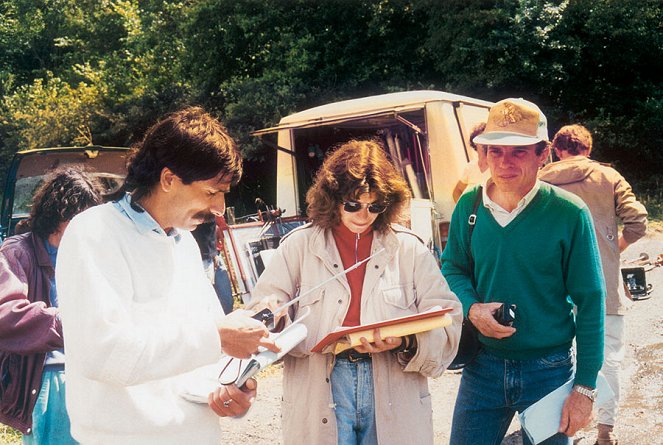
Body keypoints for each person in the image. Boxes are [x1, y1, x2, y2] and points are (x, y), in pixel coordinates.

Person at [55, 107, 279, 444]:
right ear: (169, 179)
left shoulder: (183, 243)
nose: (219, 208)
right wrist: (216, 338)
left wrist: (229, 390)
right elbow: (104, 354)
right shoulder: (94, 232)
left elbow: (200, 354)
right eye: (210, 192)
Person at [251, 139, 463, 445]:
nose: (363, 214)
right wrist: (274, 316)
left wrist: (406, 340)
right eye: (353, 204)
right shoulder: (297, 246)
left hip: (393, 383)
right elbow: (261, 311)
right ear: (331, 197)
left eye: (374, 206)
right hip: (321, 383)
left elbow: (449, 321)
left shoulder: (409, 248)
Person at [441, 98, 606, 445]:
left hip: (549, 371)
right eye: (495, 151)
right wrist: (471, 308)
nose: (504, 163)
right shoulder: (468, 206)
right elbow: (452, 268)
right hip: (482, 367)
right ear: (483, 154)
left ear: (542, 153)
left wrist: (586, 387)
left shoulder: (568, 213)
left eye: (518, 151)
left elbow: (590, 301)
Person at [539, 124, 648, 445]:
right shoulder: (608, 177)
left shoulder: (540, 179)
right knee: (608, 355)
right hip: (602, 283)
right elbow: (639, 221)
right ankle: (605, 430)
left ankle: (561, 429)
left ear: (557, 150)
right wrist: (615, 248)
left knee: (557, 357)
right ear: (587, 149)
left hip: (551, 287)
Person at [0, 166, 103, 444]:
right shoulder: (16, 251)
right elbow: (5, 314)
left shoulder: (88, 253)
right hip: (45, 376)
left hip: (90, 373)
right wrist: (67, 322)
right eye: (80, 218)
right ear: (59, 215)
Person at [452, 122, 491, 202]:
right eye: (482, 138)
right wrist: (464, 211)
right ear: (474, 142)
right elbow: (457, 191)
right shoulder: (470, 167)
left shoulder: (497, 167)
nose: (485, 142)